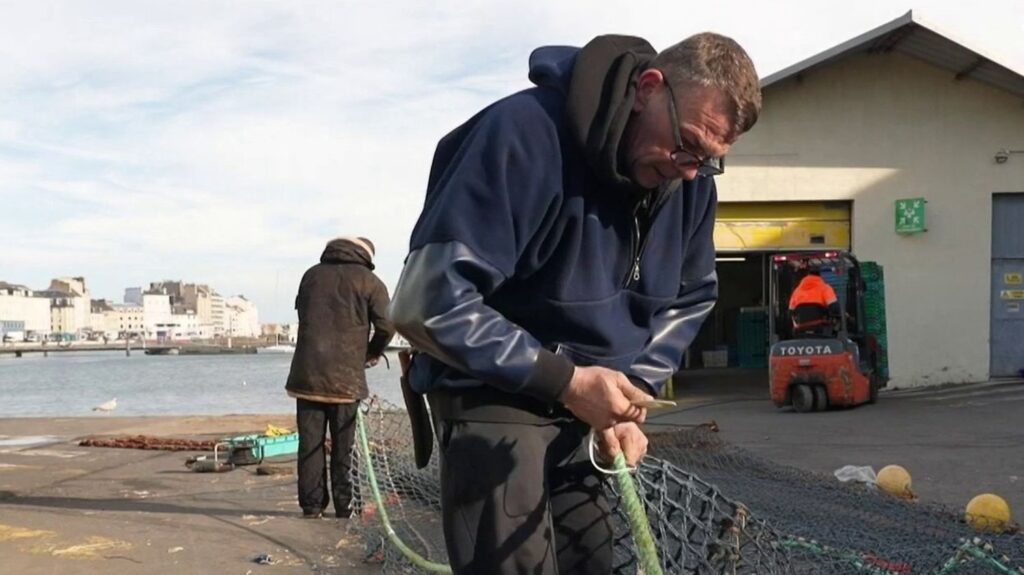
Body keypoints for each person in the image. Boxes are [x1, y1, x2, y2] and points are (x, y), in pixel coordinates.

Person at [390, 32, 761, 574]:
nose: (688, 171)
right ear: (648, 88)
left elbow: (691, 298)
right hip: (492, 396)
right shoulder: (522, 135)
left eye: (708, 160)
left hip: (585, 411)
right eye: (686, 145)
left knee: (593, 560)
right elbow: (428, 301)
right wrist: (565, 380)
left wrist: (633, 393)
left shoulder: (689, 184)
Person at [285, 237, 394, 519]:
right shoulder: (370, 282)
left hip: (307, 376)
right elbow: (387, 326)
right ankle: (346, 507)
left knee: (310, 444)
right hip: (346, 379)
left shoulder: (311, 276)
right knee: (345, 447)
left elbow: (304, 315)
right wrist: (371, 353)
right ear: (366, 255)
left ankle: (311, 506)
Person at [788, 267, 841, 336]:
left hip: (801, 330)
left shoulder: (797, 291)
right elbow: (835, 308)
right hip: (821, 330)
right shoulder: (825, 288)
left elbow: (790, 312)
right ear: (820, 276)